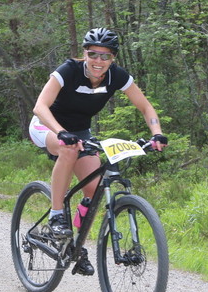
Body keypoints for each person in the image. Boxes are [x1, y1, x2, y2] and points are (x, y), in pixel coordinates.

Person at [29, 27, 168, 275]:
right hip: (47, 125)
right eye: (93, 54)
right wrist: (61, 132)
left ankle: (74, 245)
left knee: (93, 191)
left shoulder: (117, 76)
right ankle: (56, 215)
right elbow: (40, 106)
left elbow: (146, 107)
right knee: (68, 150)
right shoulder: (69, 71)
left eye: (105, 56)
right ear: (85, 53)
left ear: (113, 58)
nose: (98, 61)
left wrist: (156, 134)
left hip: (80, 132)